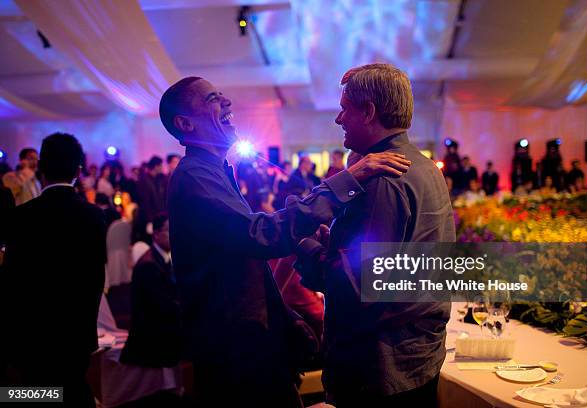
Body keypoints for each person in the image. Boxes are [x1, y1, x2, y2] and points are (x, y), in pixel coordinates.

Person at [159, 76, 410, 406]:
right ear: (184, 123)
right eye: (212, 99)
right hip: (234, 349)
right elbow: (259, 237)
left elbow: (245, 255)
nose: (227, 102)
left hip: (246, 342)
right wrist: (346, 183)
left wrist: (282, 313)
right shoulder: (196, 175)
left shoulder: (214, 170)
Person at [295, 63, 454, 407]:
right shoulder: (424, 166)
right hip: (415, 357)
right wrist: (336, 242)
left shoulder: (381, 178)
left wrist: (305, 246)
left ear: (368, 112)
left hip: (378, 369)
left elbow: (360, 283)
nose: (339, 119)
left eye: (344, 109)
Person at [1, 133, 106, 407]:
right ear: (78, 171)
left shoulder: (20, 217)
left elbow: (12, 282)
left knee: (32, 394)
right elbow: (95, 279)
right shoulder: (94, 216)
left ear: (40, 169)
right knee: (73, 390)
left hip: (31, 337)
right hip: (76, 334)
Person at [121, 213, 181, 368]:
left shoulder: (164, 258)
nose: (175, 234)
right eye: (169, 230)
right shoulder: (149, 265)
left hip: (161, 323)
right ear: (156, 234)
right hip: (149, 336)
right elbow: (162, 306)